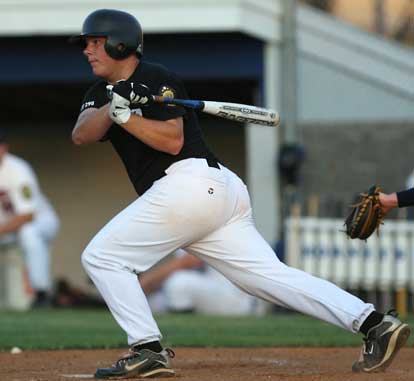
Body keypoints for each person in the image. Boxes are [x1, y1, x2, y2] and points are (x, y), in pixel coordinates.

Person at [70, 9, 410, 379]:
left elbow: (173, 141)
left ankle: (147, 347)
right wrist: (113, 107)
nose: (88, 50)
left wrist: (129, 117)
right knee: (266, 278)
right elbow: (82, 133)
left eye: (96, 43)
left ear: (120, 44)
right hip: (207, 196)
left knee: (103, 257)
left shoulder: (157, 78)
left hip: (191, 182)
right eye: (87, 44)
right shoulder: (98, 93)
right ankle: (373, 323)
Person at [0, 129, 60, 307]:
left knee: (28, 233)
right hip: (8, 227)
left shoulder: (17, 169)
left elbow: (28, 215)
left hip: (41, 221)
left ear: (3, 148)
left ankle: (41, 293)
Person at [140, 249, 268, 315]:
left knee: (179, 283)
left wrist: (141, 285)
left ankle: (185, 331)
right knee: (152, 302)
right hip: (215, 290)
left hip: (241, 299)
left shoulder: (211, 219)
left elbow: (187, 262)